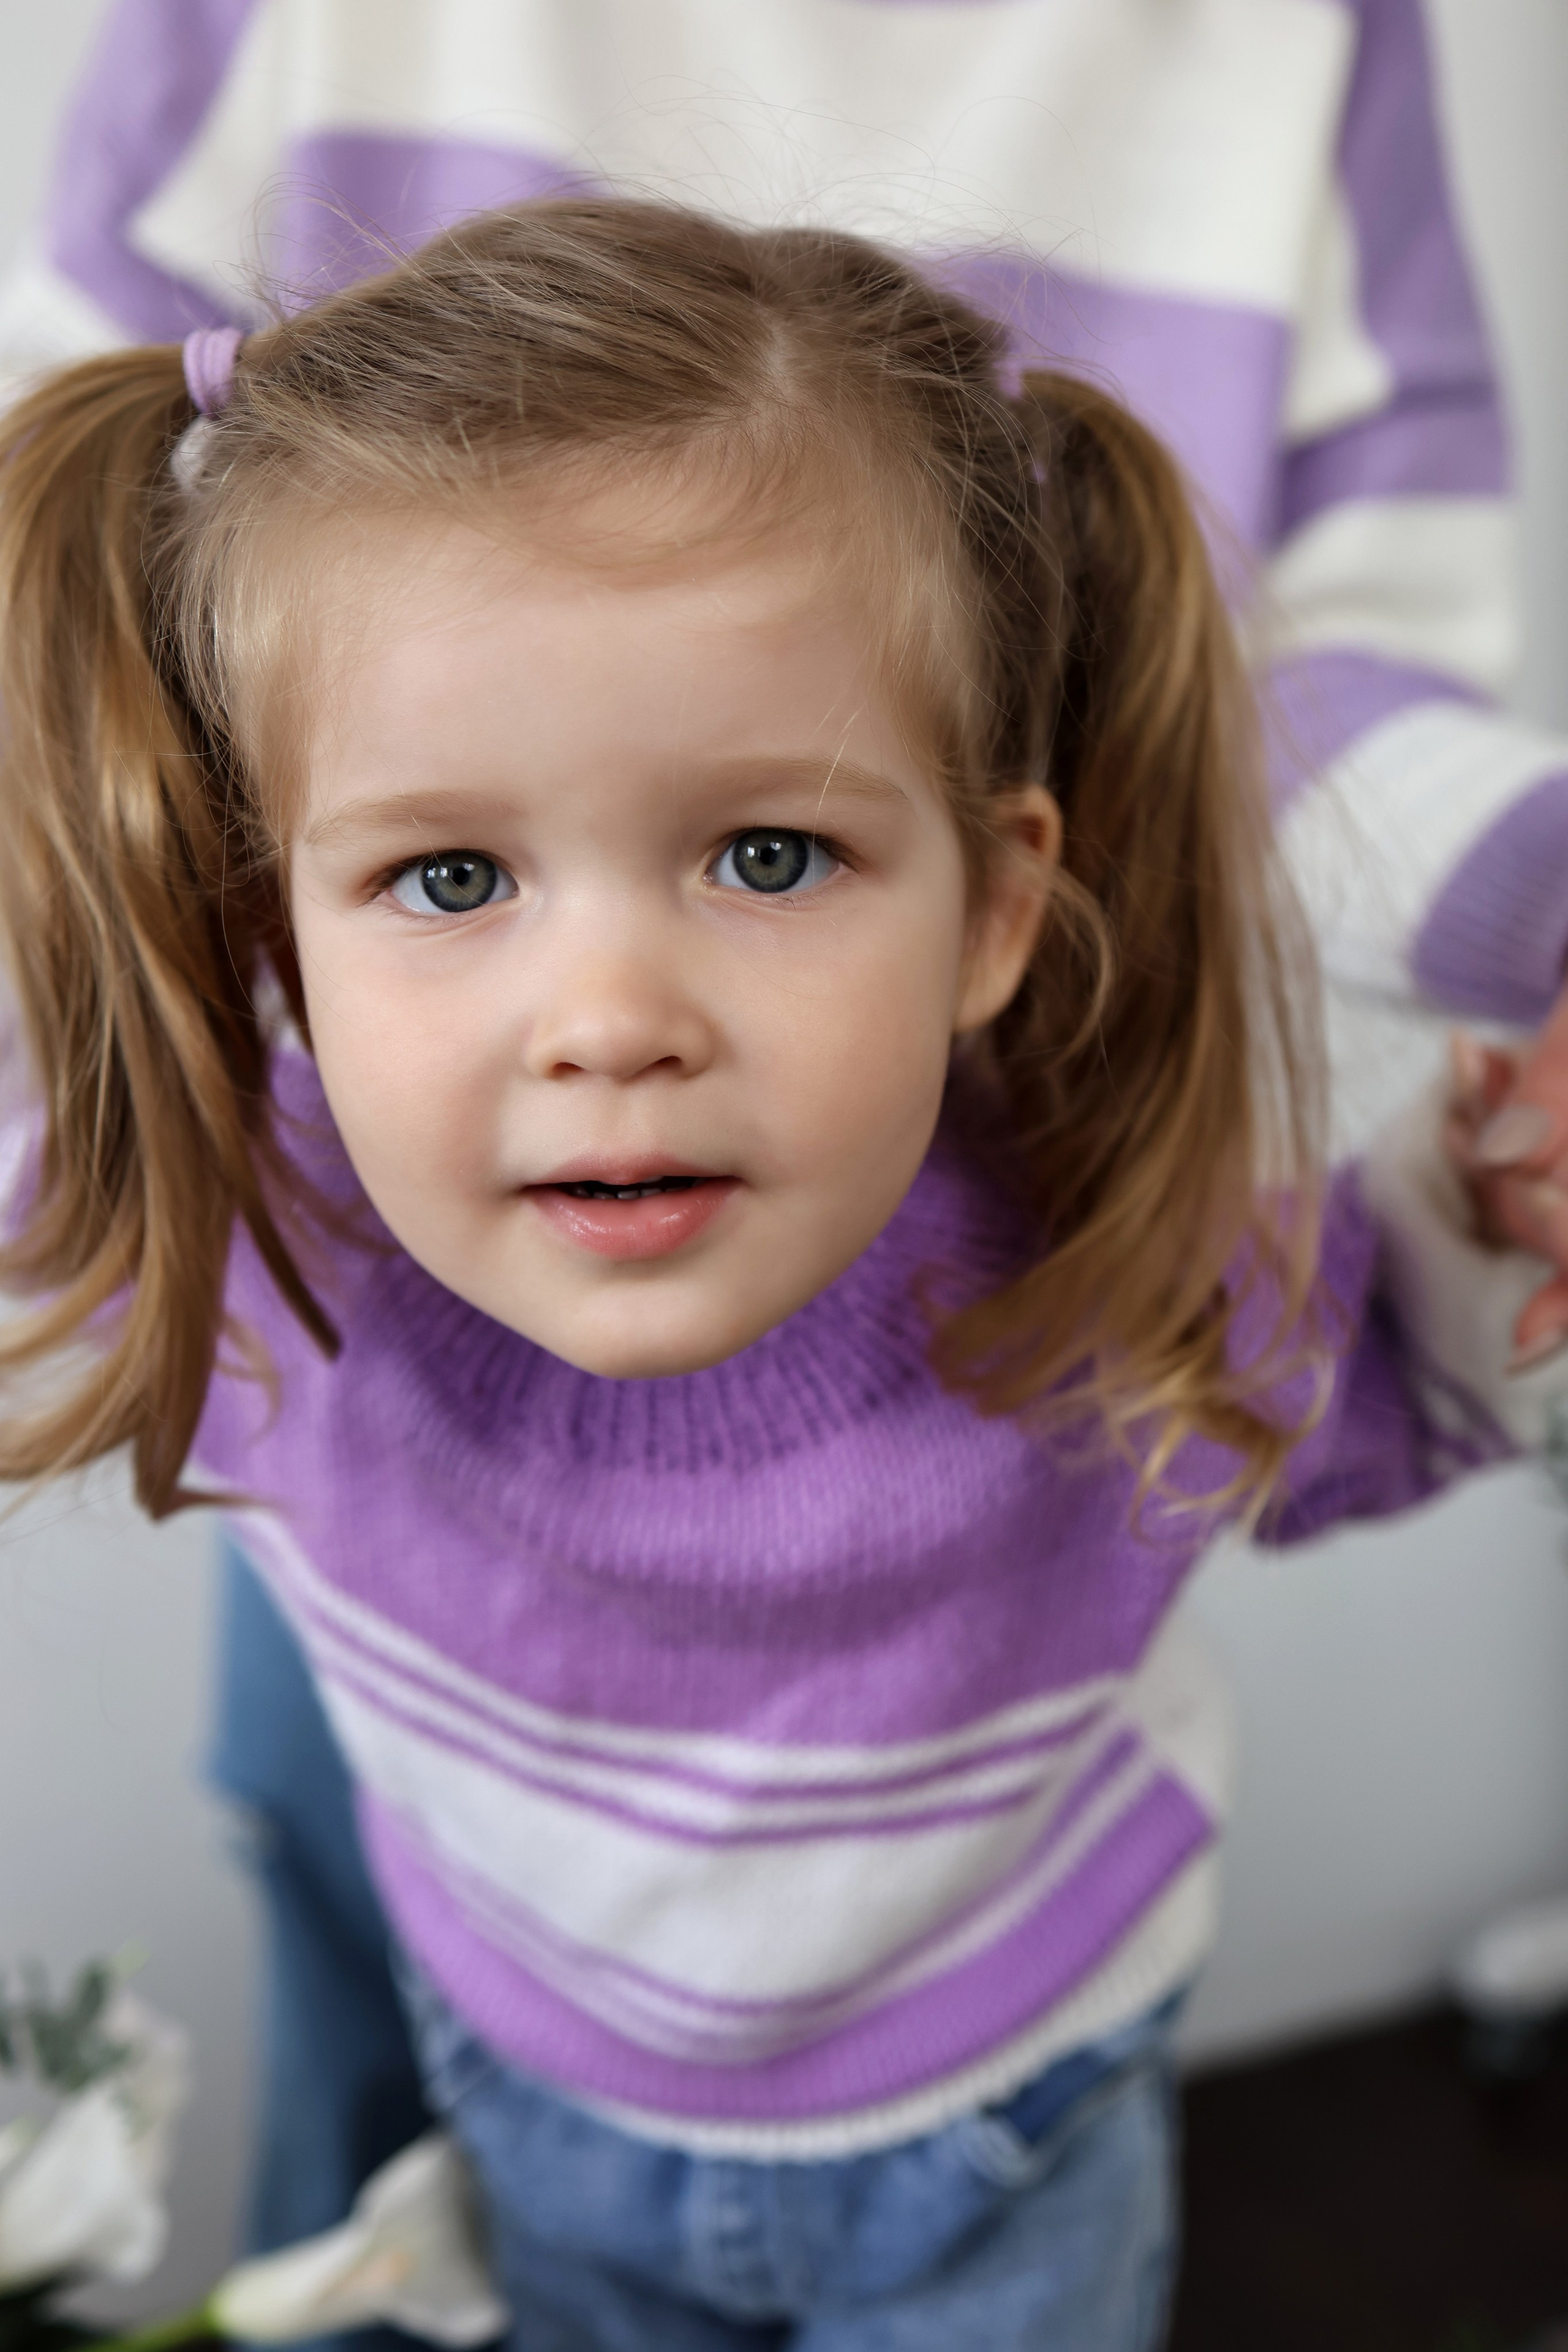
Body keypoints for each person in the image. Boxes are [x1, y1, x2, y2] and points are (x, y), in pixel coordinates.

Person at [7, 0, 1568, 2302]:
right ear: (274, 934)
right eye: (450, 878)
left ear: (999, 911)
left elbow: (1403, 1335)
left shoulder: (1102, 1267)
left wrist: (1499, 1195)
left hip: (1013, 2136)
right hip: (525, 2090)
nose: (611, 1020)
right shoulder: (256, 1261)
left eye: (767, 855)